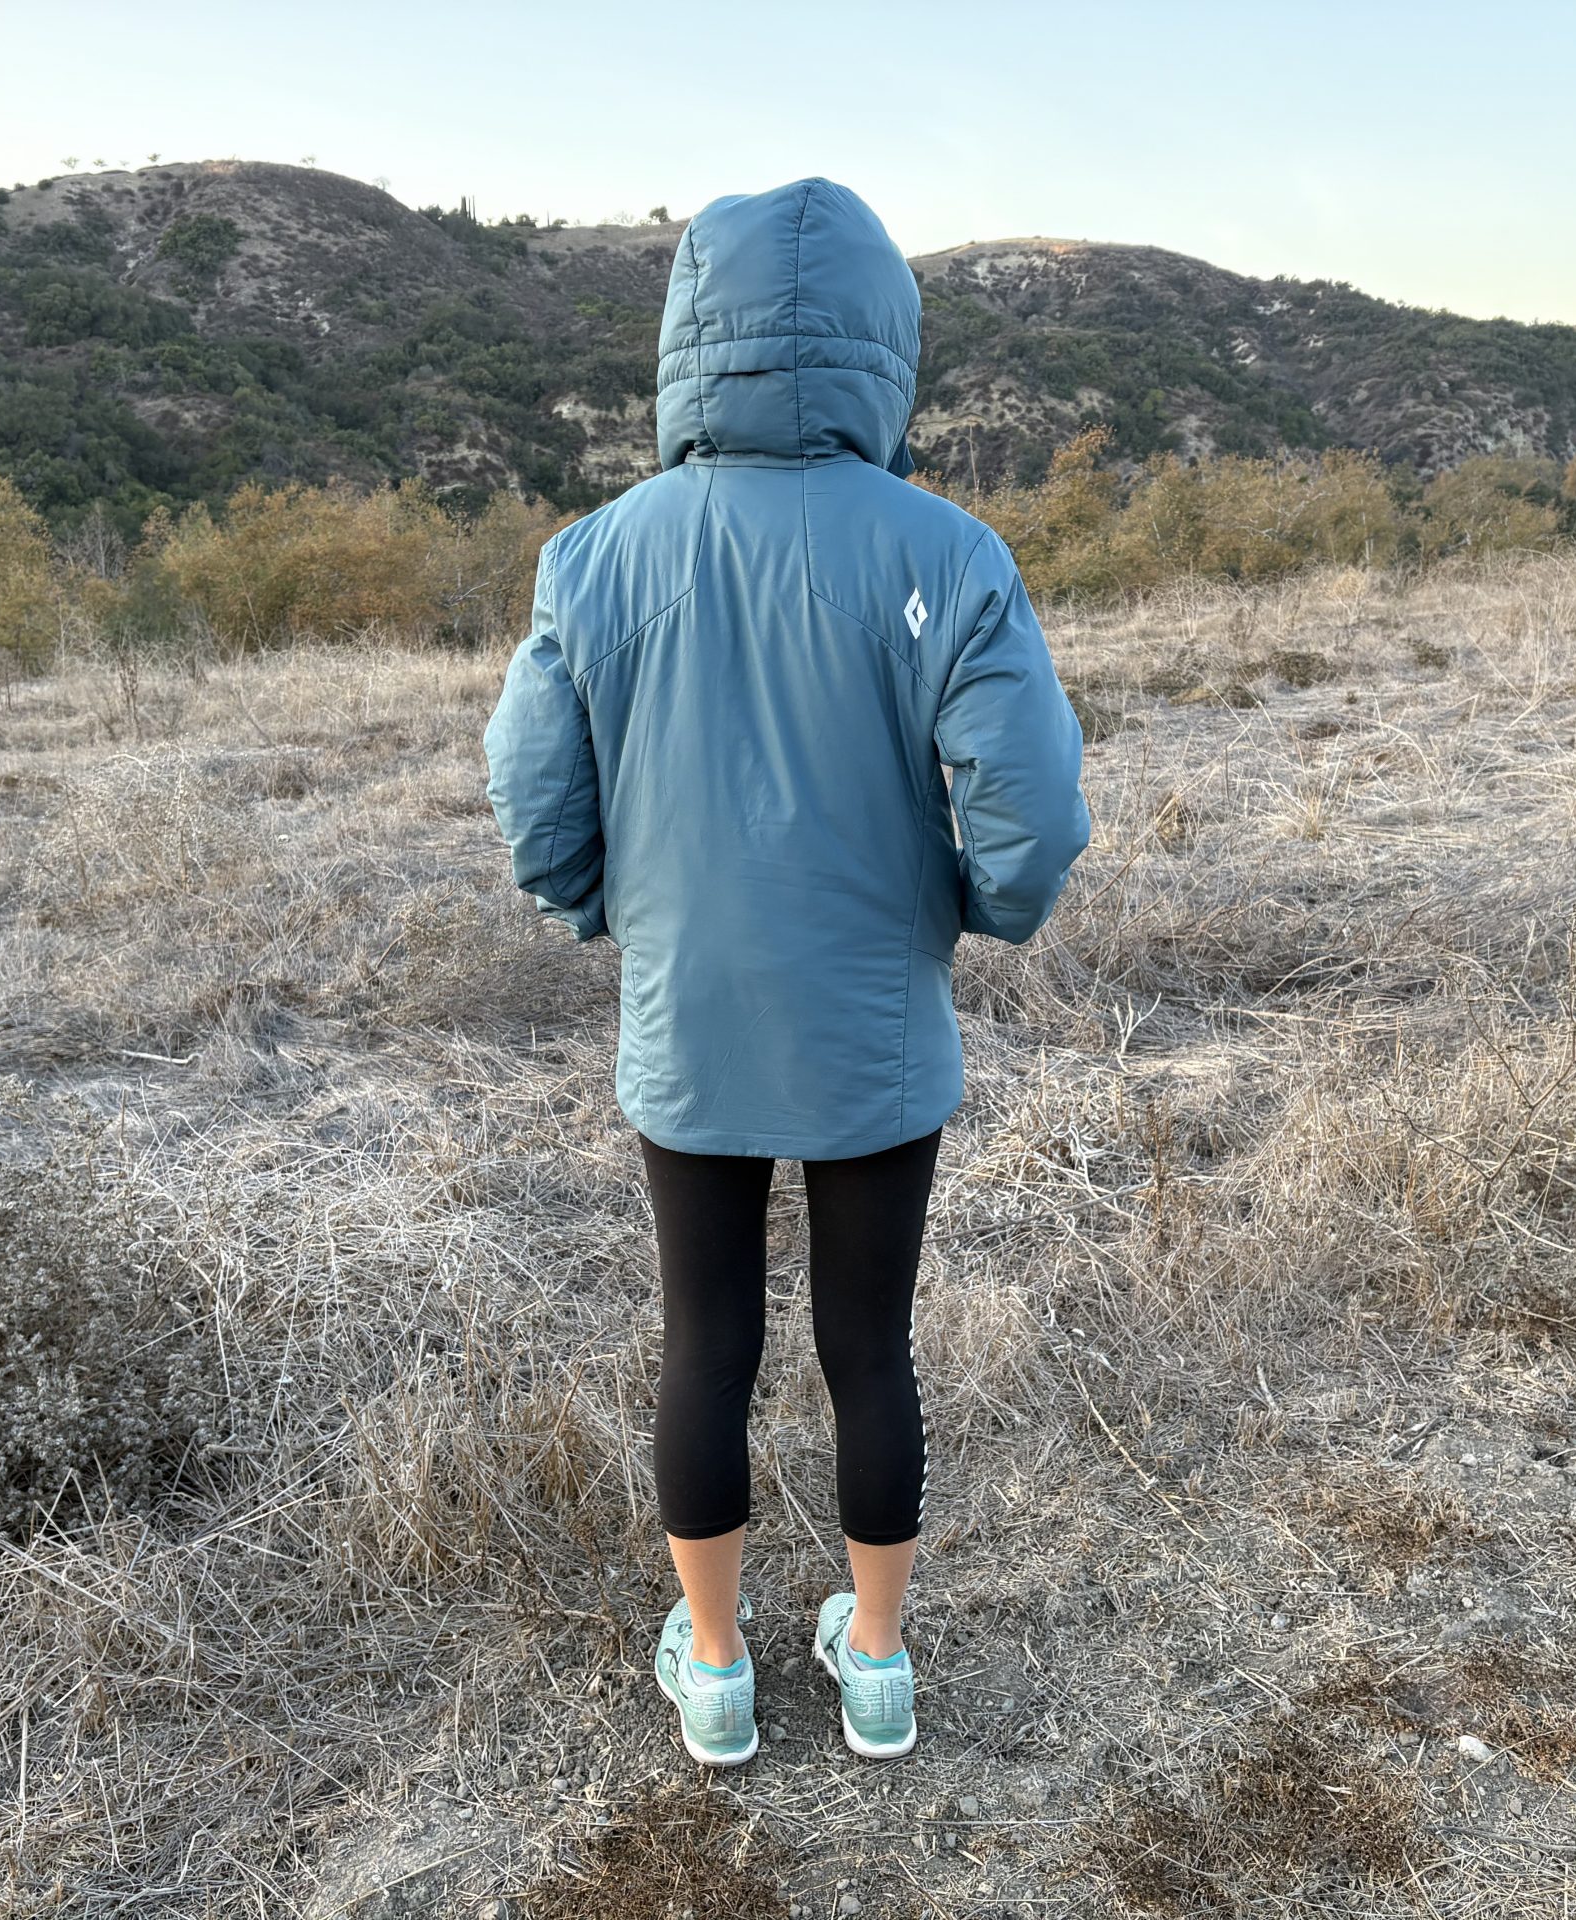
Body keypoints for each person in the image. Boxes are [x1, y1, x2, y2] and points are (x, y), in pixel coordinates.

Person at [482, 177, 1090, 1767]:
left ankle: (719, 1663)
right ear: (885, 344)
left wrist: (604, 911)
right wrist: (966, 914)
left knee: (708, 1338)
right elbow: (1031, 809)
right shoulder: (953, 553)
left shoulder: (595, 556)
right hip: (877, 1029)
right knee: (868, 1345)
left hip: (690, 1024)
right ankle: (876, 1664)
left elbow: (537, 803)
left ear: (691, 341)